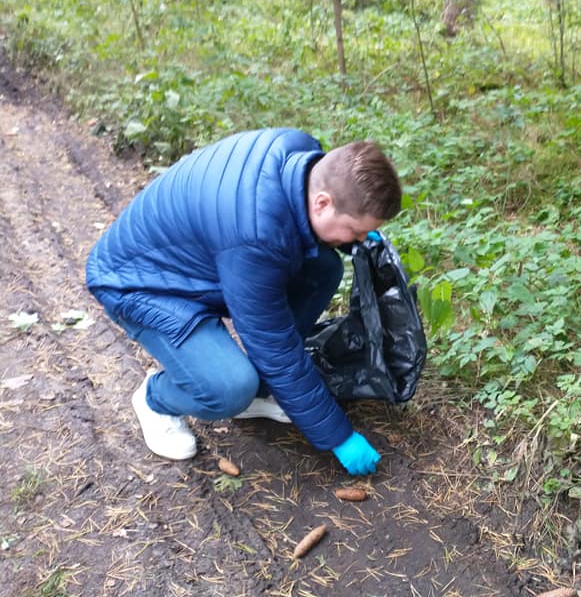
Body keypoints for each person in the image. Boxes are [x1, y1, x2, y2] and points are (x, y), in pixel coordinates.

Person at [85, 128, 402, 476]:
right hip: (141, 283)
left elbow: (292, 225)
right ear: (323, 203)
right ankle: (156, 401)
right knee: (229, 387)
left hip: (202, 260)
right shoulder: (255, 238)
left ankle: (258, 392)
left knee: (323, 268)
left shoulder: (301, 154)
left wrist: (351, 239)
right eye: (356, 230)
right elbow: (275, 347)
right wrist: (339, 437)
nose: (359, 239)